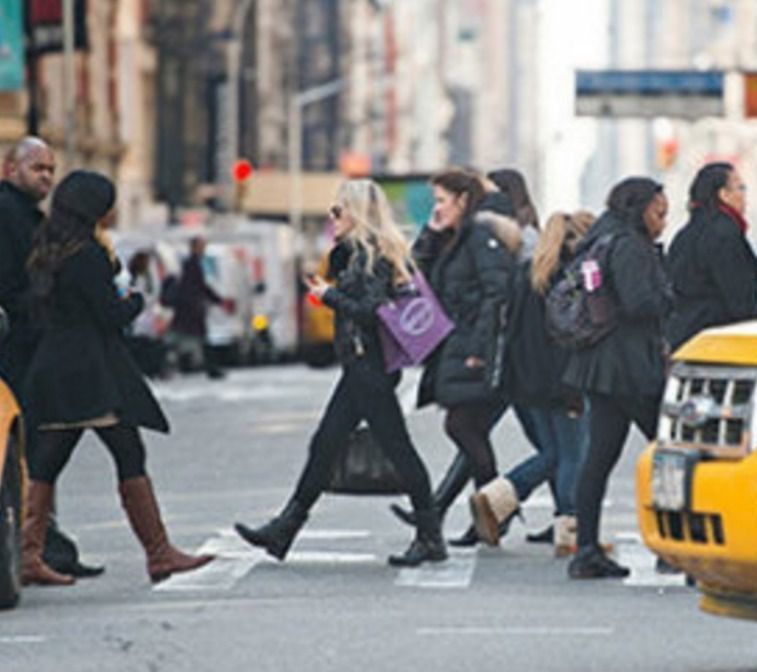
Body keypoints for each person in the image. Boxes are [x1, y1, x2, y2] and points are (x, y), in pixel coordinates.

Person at [235, 180, 445, 567]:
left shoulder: (373, 256)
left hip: (369, 367)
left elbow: (371, 311)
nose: (332, 217)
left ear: (357, 212)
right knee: (326, 444)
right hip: (358, 366)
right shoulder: (352, 254)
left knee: (398, 450)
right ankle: (284, 529)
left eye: (338, 210)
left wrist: (328, 296)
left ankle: (430, 536)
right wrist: (331, 285)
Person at [21, 171, 214, 586]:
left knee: (48, 461)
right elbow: (109, 316)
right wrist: (135, 300)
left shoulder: (46, 248)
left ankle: (28, 554)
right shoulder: (87, 254)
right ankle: (159, 554)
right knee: (128, 453)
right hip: (90, 373)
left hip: (53, 368)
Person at [0, 138, 103, 580]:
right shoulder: (7, 214)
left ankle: (40, 546)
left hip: (31, 347)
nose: (46, 177)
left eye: (50, 169)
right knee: (34, 450)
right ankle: (37, 548)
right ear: (10, 169)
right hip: (18, 350)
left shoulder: (27, 215)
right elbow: (14, 285)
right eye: (37, 168)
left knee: (41, 448)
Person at [564, 177, 672, 579]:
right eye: (659, 213)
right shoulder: (628, 245)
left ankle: (586, 549)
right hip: (629, 366)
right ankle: (672, 546)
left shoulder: (600, 238)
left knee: (599, 457)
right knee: (671, 452)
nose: (663, 221)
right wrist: (669, 294)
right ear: (639, 209)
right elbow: (639, 302)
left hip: (602, 363)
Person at [471, 211, 594, 555]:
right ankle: (569, 529)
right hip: (563, 380)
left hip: (528, 382)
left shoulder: (527, 274)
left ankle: (499, 497)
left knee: (554, 452)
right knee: (572, 455)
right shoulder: (571, 277)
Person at [412, 169, 520, 528]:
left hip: (472, 347)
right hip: (453, 345)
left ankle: (496, 508)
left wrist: (479, 347)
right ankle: (495, 511)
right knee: (466, 427)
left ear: (462, 200)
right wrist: (430, 234)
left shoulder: (479, 237)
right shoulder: (451, 239)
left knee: (461, 426)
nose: (436, 208)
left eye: (442, 200)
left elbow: (497, 292)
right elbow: (415, 274)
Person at [666, 162, 757, 351]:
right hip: (718, 341)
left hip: (686, 337)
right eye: (740, 188)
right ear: (723, 195)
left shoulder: (685, 234)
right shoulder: (724, 233)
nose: (744, 196)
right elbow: (739, 294)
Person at [168, 236, 232, 379]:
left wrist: (217, 300)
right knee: (183, 338)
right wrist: (218, 300)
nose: (204, 249)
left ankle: (208, 367)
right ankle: (209, 368)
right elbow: (198, 287)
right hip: (190, 309)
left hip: (189, 308)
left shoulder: (192, 263)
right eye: (201, 246)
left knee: (188, 337)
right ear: (194, 247)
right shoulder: (192, 264)